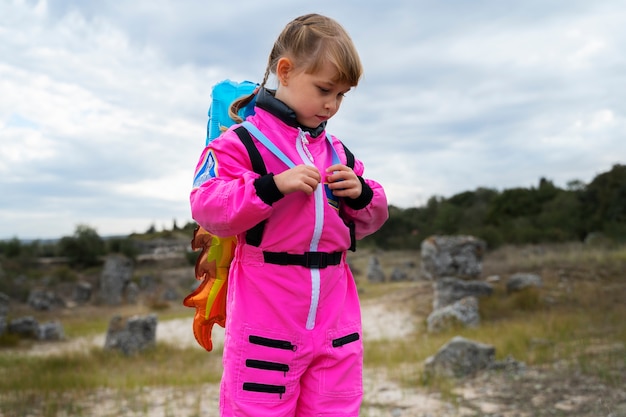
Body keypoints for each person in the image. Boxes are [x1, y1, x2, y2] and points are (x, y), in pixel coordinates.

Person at [190, 13, 388, 417]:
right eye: (324, 89)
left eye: (342, 95)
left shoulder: (339, 153)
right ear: (285, 71)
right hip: (267, 317)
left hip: (336, 320)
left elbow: (373, 217)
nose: (332, 105)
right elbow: (206, 203)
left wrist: (362, 193)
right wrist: (271, 186)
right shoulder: (242, 142)